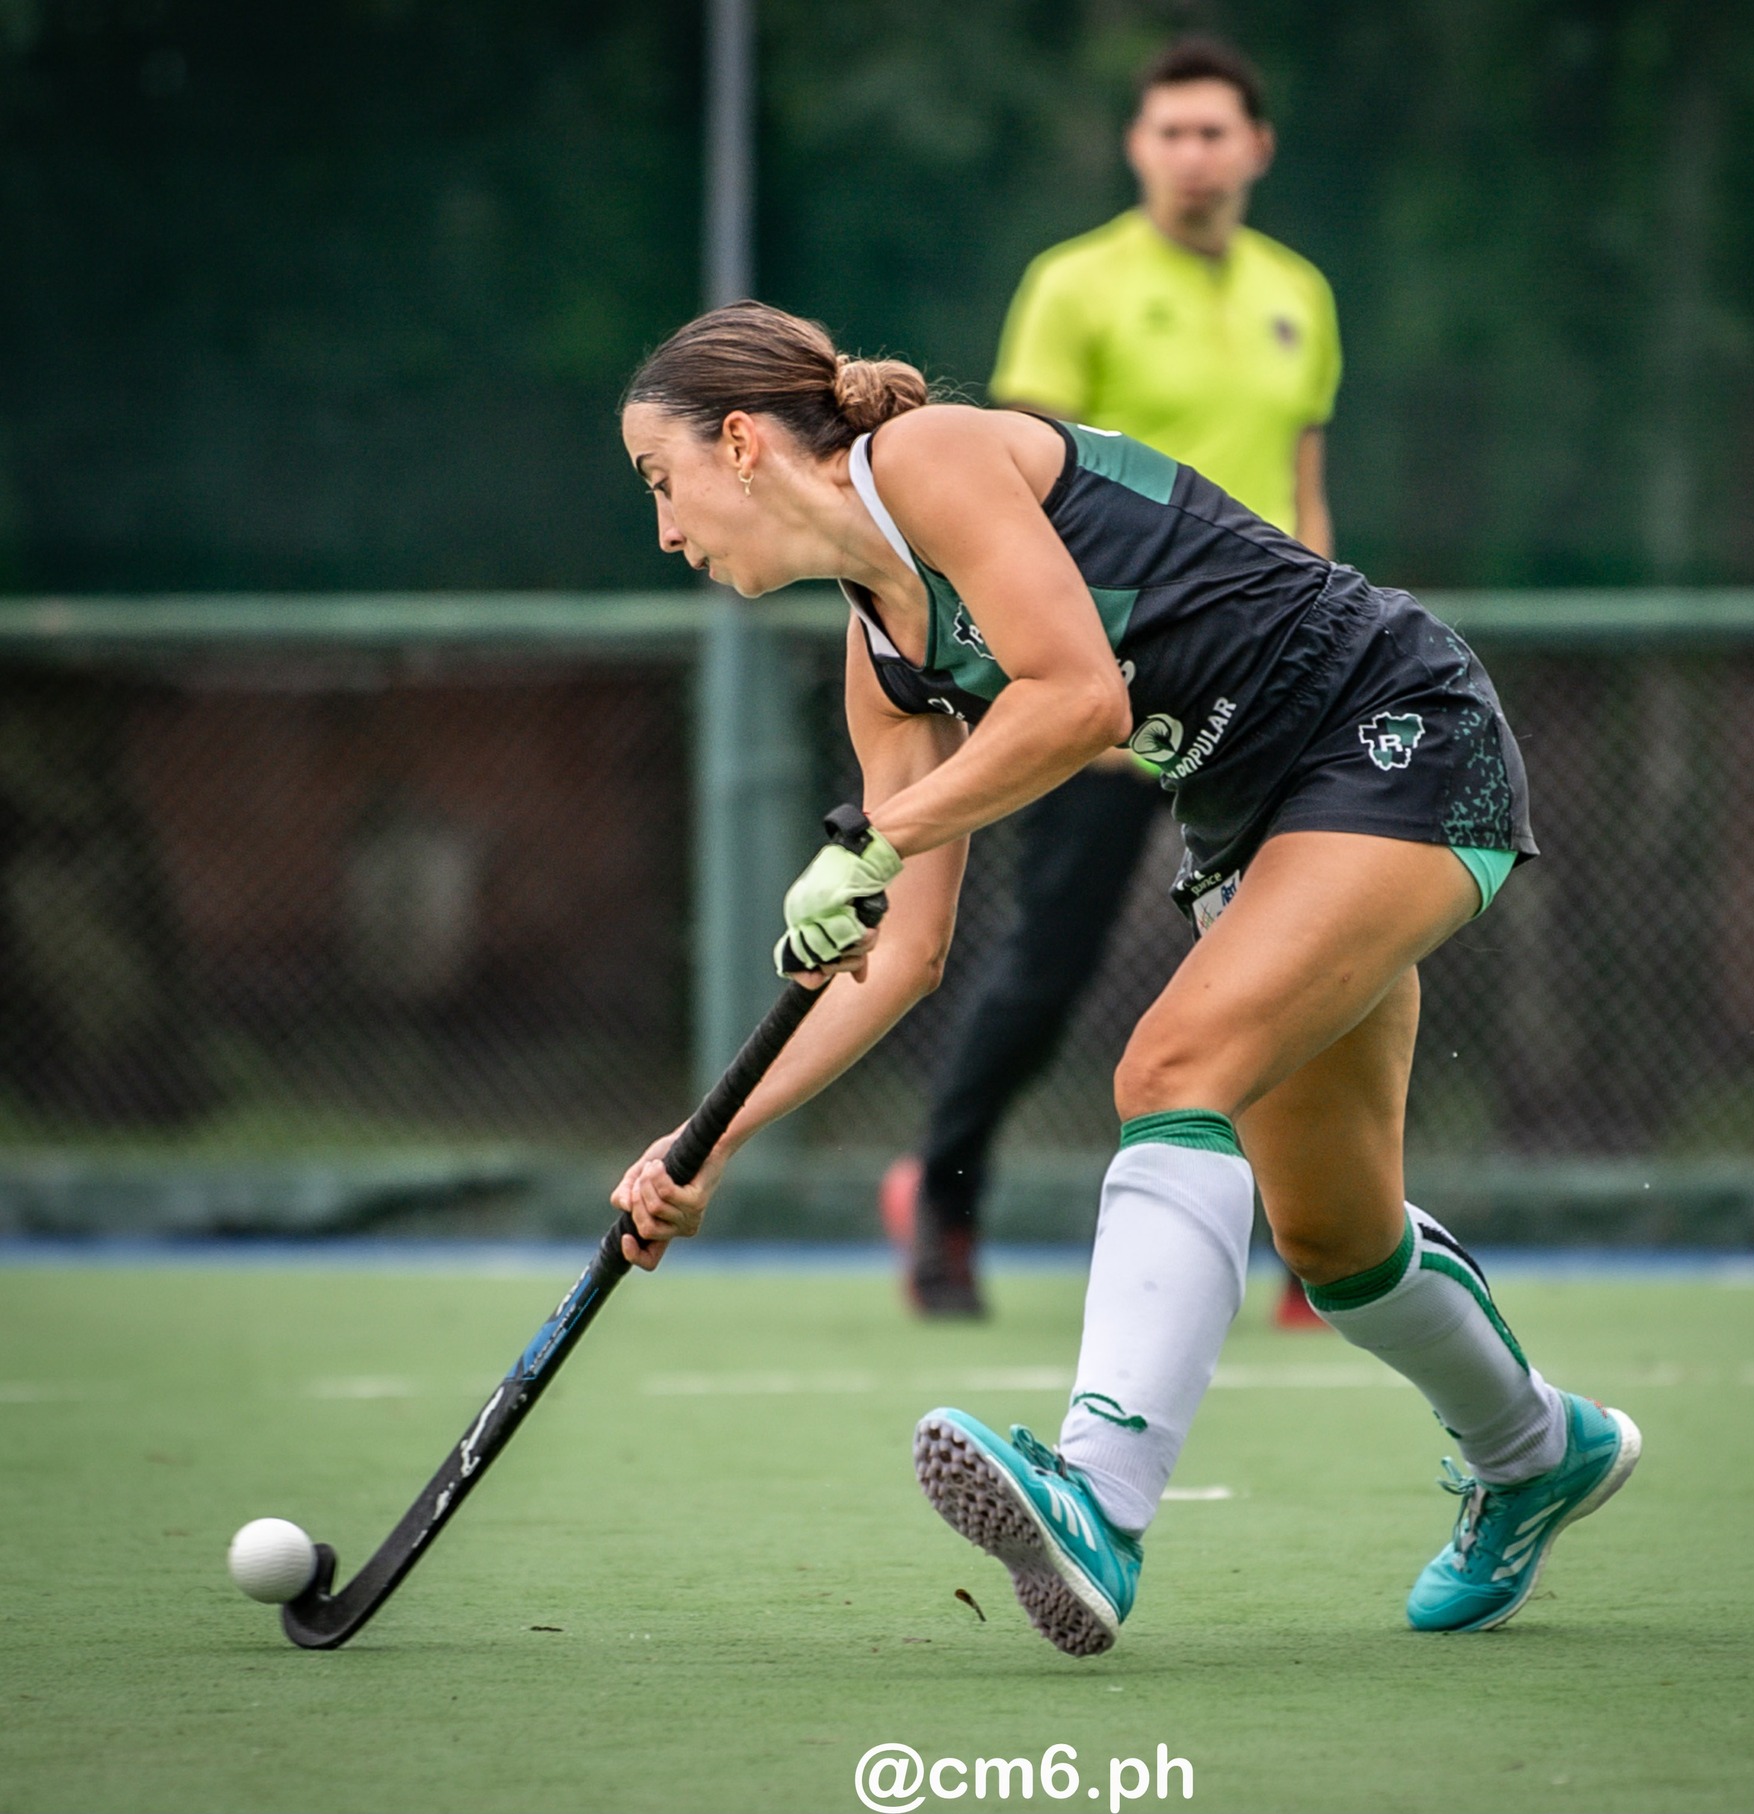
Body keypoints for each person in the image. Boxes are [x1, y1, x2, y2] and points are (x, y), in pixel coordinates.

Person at [611, 302, 1641, 1658]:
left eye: (660, 479)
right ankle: (1537, 1450)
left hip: (1392, 728)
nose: (665, 529)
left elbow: (1079, 697)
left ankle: (1096, 1498)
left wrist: (876, 838)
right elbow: (904, 954)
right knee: (1335, 1236)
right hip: (1247, 818)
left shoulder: (927, 458)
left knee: (1168, 1069)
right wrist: (707, 1139)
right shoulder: (883, 660)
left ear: (741, 443)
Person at [885, 36, 1342, 1323]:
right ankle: (943, 1214)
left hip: (1269, 689)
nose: (1191, 154)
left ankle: (1318, 1245)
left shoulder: (1299, 293)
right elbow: (1011, 495)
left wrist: (1327, 644)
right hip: (1105, 689)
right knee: (1047, 968)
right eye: (1169, 132)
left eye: (1213, 132)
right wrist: (1071, 689)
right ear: (1138, 147)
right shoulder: (1072, 284)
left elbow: (1304, 492)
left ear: (1255, 148)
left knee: (1305, 965)